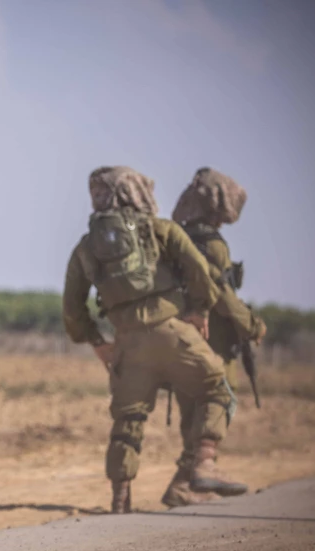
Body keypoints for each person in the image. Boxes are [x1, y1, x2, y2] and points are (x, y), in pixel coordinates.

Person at [62, 166, 248, 513]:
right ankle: (205, 462)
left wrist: (98, 343)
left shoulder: (87, 247)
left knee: (127, 419)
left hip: (127, 343)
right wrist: (199, 312)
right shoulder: (161, 229)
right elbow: (200, 273)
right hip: (172, 331)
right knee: (217, 387)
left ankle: (120, 499)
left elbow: (72, 309)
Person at [160, 167, 267, 507]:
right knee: (219, 398)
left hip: (179, 337)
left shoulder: (177, 239)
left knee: (193, 408)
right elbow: (219, 294)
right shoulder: (210, 244)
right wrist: (252, 324)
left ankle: (183, 485)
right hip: (212, 340)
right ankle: (204, 466)